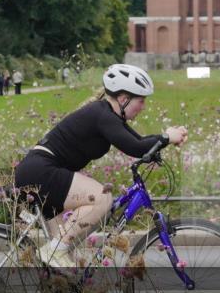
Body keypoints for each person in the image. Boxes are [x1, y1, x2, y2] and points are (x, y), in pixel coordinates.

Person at [14, 63, 189, 267]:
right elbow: (136, 147)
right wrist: (167, 137)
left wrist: (165, 138)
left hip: (42, 171)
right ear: (124, 99)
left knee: (64, 263)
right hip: (41, 171)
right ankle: (54, 251)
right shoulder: (102, 115)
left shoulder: (108, 115)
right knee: (102, 198)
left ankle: (56, 290)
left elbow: (141, 142)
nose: (143, 106)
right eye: (141, 101)